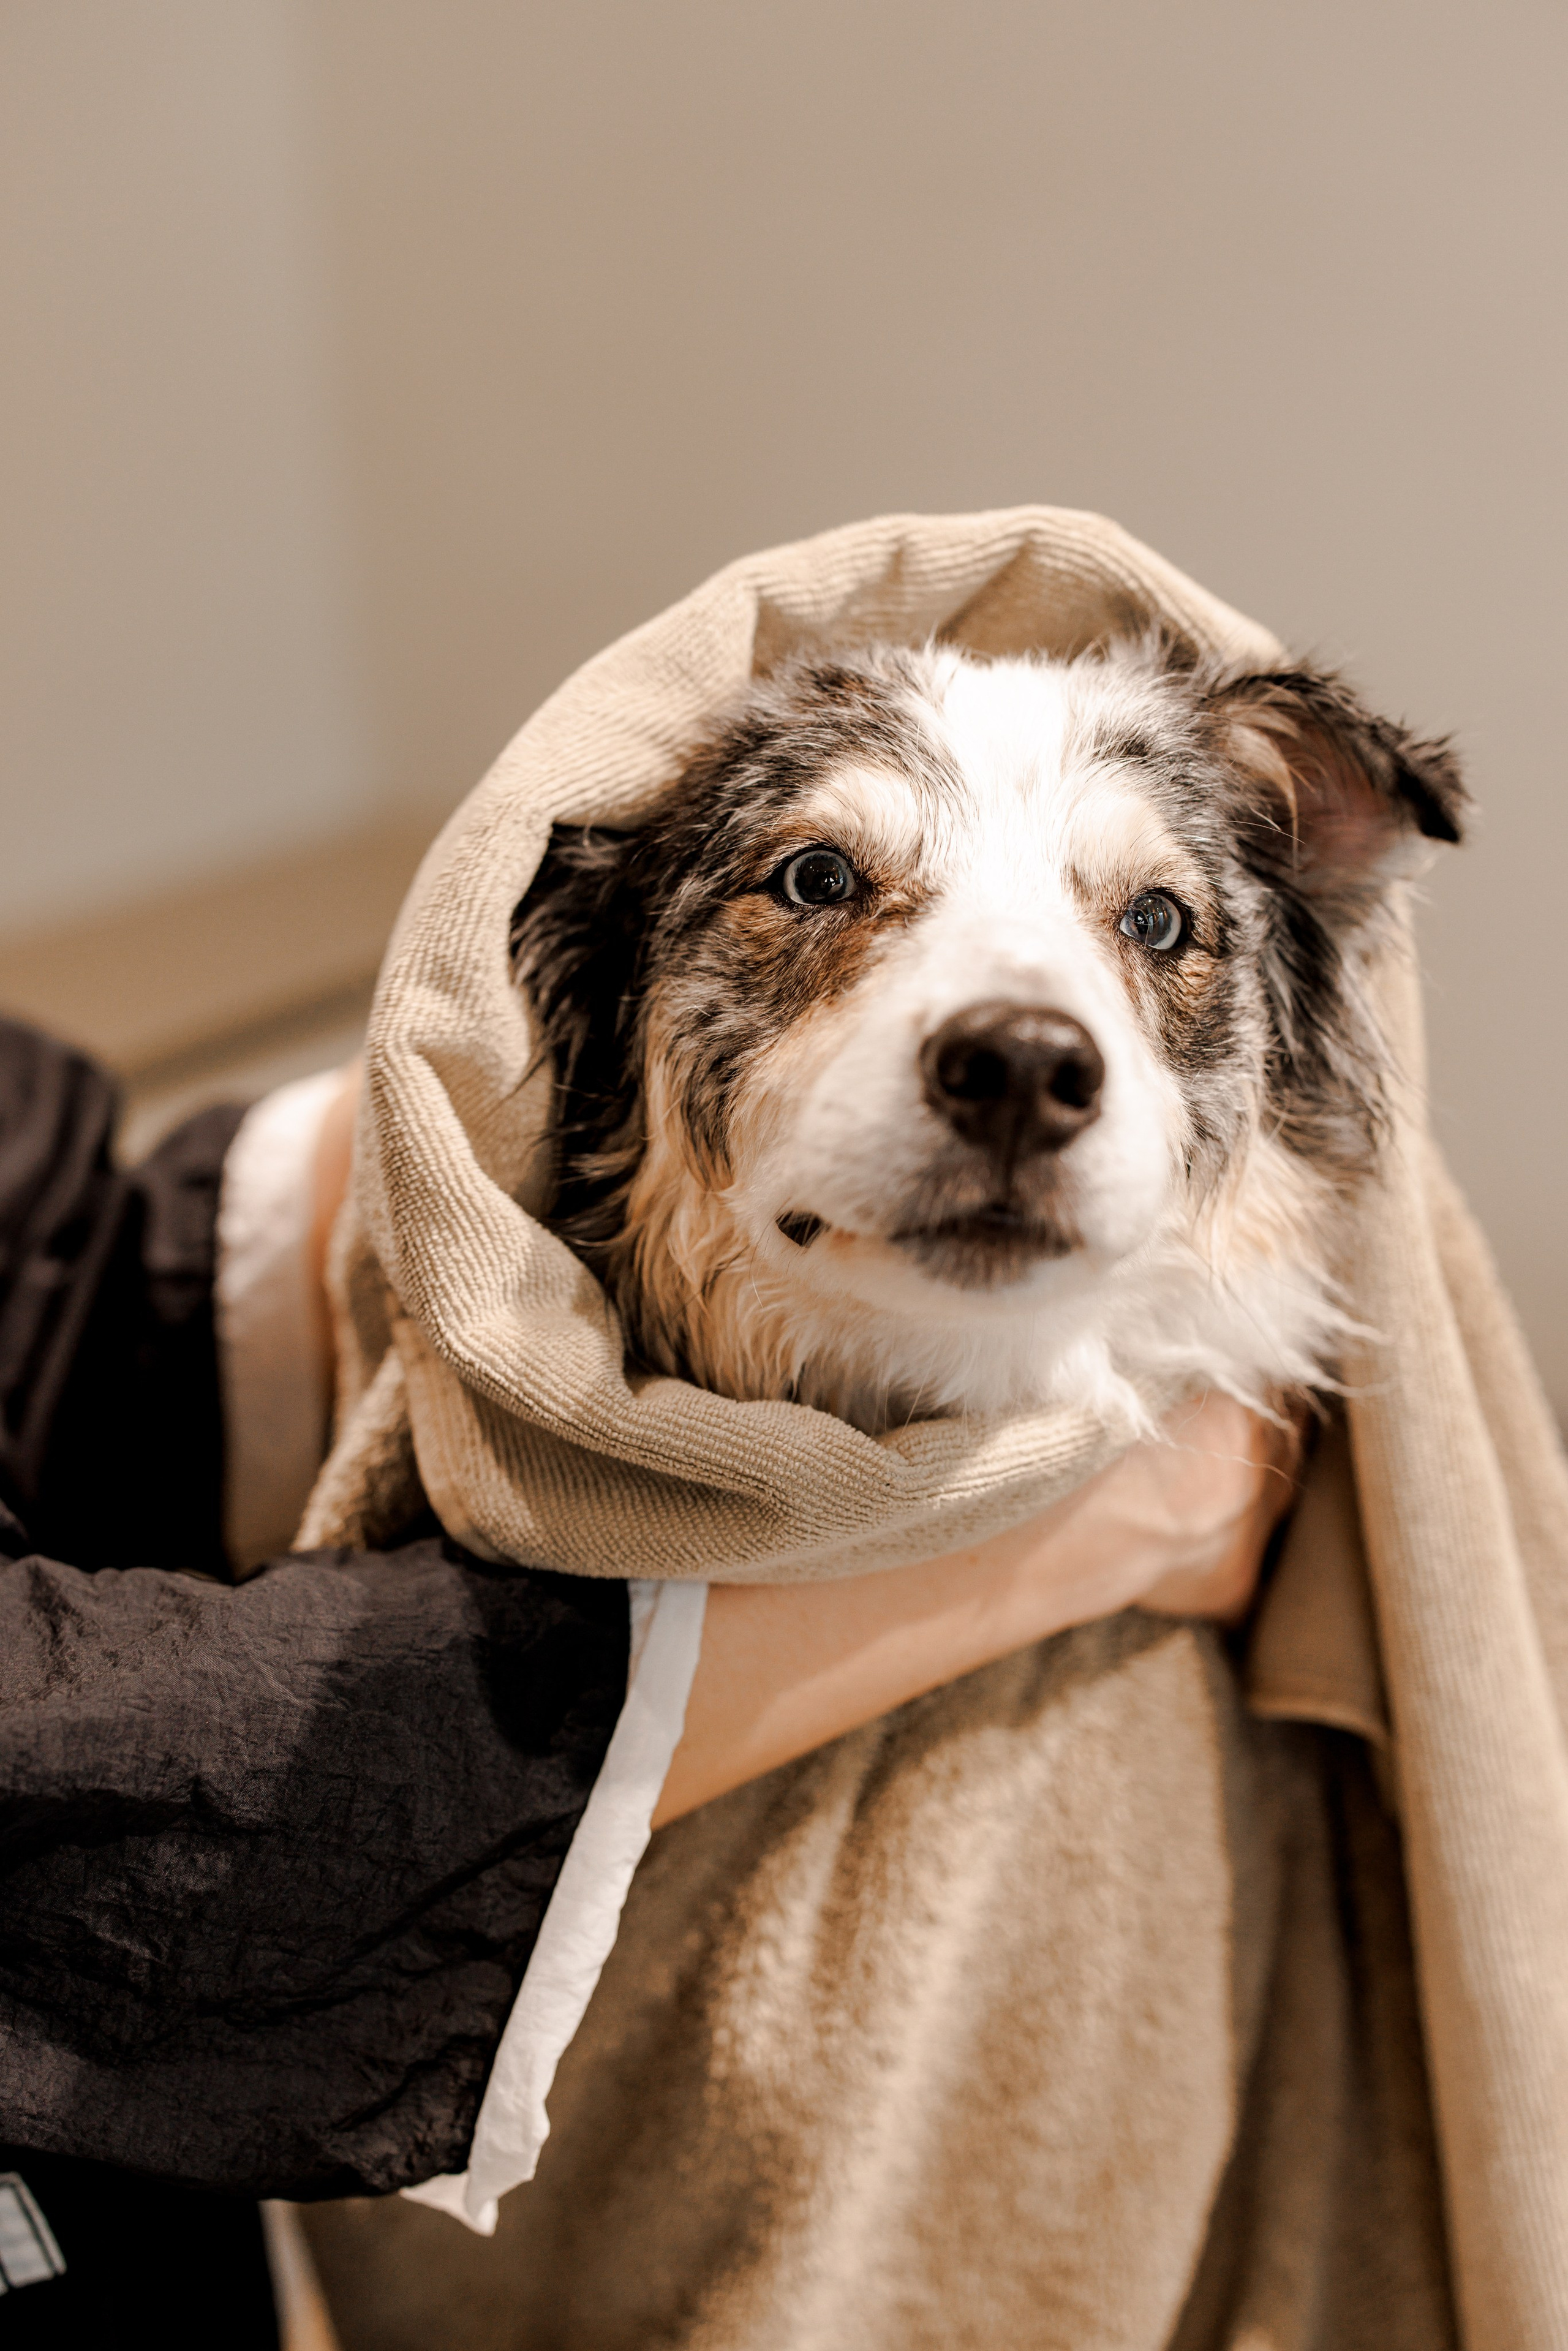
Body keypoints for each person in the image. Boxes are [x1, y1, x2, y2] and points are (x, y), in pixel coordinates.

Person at [0, 1016, 1298, 2347]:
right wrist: (1038, 1535)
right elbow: (54, 1762)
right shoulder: (1133, 1497)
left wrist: (454, 1142)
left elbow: (60, 1292)